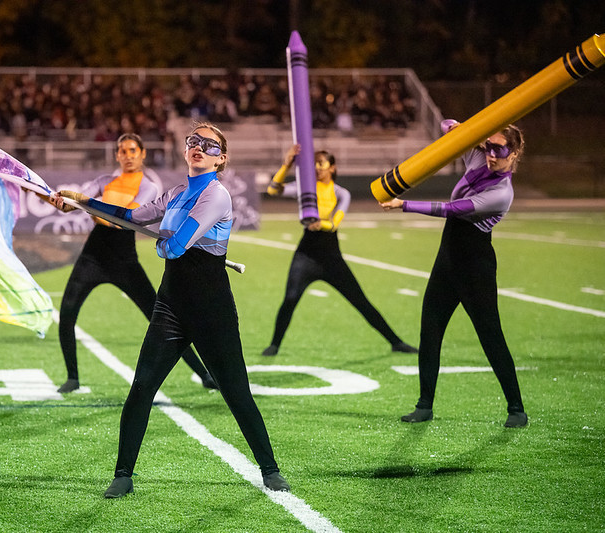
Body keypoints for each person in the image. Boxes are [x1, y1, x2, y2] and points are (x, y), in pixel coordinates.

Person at [53, 122, 290, 498]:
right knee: (142, 387)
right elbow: (130, 217)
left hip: (212, 311)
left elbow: (175, 247)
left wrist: (165, 238)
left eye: (209, 145)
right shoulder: (177, 192)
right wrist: (80, 201)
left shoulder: (218, 196)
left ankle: (270, 469)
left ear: (221, 158)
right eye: (193, 141)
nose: (199, 147)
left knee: (236, 392)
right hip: (171, 307)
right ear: (185, 151)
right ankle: (123, 474)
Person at [380, 120, 528, 428]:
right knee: (430, 329)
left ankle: (516, 408)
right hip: (447, 260)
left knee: (491, 337)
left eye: (498, 149)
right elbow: (447, 124)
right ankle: (424, 405)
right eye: (488, 147)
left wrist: (403, 204)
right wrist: (462, 129)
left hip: (476, 267)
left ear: (513, 153)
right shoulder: (478, 157)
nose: (491, 155)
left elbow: (452, 209)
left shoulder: (502, 193)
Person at [53, 133, 217, 393]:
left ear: (142, 154)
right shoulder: (104, 181)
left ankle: (205, 375)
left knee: (161, 318)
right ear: (117, 155)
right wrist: (63, 202)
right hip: (93, 256)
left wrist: (85, 206)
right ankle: (72, 377)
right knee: (67, 313)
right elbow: (78, 202)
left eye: (132, 151)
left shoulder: (148, 186)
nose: (127, 156)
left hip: (124, 260)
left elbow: (122, 219)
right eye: (123, 151)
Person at [262, 144, 418, 356]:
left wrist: (321, 224)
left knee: (360, 301)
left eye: (322, 164)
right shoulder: (306, 187)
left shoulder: (341, 193)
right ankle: (274, 345)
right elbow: (273, 189)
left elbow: (335, 222)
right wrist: (287, 163)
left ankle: (395, 341)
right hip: (306, 254)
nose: (318, 169)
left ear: (333, 168)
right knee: (290, 299)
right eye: (315, 165)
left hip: (331, 258)